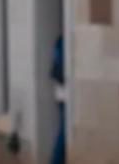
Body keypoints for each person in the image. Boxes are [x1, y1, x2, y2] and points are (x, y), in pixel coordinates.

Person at [49, 34, 66, 164]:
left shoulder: (59, 42)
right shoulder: (63, 43)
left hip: (60, 91)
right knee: (64, 131)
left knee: (64, 129)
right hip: (64, 91)